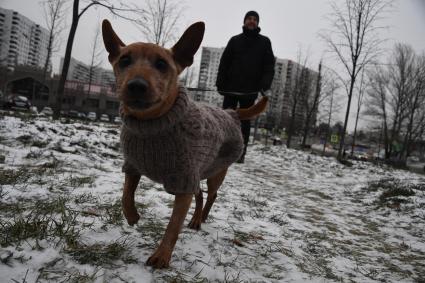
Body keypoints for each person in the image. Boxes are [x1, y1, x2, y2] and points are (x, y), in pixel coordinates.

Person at [216, 10, 275, 163]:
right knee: (225, 120)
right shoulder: (234, 40)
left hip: (250, 91)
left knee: (245, 123)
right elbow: (224, 63)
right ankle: (220, 150)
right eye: (249, 18)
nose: (252, 21)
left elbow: (269, 66)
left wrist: (265, 85)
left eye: (255, 19)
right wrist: (220, 83)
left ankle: (240, 153)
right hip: (230, 88)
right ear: (244, 21)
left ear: (258, 23)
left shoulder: (265, 42)